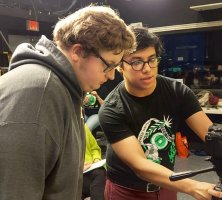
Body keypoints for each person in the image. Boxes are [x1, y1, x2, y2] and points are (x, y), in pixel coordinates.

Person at [0, 5, 135, 200]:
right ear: (78, 52)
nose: (112, 75)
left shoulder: (63, 88)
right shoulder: (38, 94)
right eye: (109, 65)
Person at [99, 26, 222, 200]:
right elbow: (140, 165)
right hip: (126, 190)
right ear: (120, 66)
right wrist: (192, 187)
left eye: (152, 59)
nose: (147, 68)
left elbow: (211, 133)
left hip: (166, 185)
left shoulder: (177, 91)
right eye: (136, 62)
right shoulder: (112, 109)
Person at [82, 124, 106, 200]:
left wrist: (96, 159)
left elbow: (94, 148)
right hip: (74, 174)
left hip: (91, 168)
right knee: (100, 174)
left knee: (101, 172)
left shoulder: (84, 126)